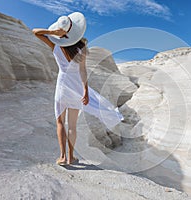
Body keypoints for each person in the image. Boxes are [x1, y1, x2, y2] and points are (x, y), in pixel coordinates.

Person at [32, 12, 123, 166]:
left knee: (60, 122)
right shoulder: (81, 47)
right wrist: (85, 91)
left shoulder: (55, 45)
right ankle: (71, 157)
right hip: (75, 87)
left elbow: (35, 31)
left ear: (61, 30)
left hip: (62, 85)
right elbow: (83, 71)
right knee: (72, 125)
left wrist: (53, 33)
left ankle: (62, 157)